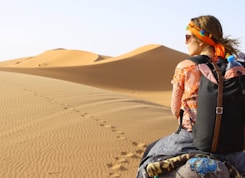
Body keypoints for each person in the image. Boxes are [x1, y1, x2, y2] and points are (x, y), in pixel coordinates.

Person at [136, 15, 245, 177]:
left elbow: (175, 110)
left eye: (188, 37)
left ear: (201, 40)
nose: (185, 42)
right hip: (231, 142)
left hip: (190, 138)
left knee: (147, 163)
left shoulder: (185, 67)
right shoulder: (234, 69)